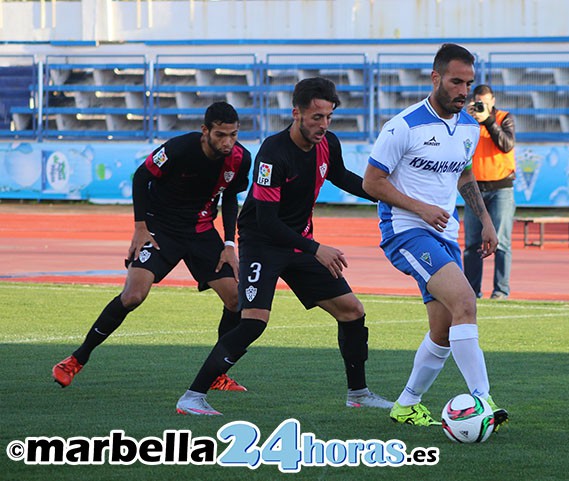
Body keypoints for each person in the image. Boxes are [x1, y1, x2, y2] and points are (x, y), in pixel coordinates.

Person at [176, 77, 393, 416]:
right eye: (316, 117)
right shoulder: (273, 154)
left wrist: (387, 195)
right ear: (296, 113)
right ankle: (192, 396)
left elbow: (344, 178)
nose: (323, 125)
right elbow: (267, 222)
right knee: (254, 322)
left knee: (352, 311)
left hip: (300, 244)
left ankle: (359, 393)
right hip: (263, 244)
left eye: (328, 117)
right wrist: (315, 248)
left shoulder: (327, 144)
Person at [52, 101, 252, 393]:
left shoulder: (239, 158)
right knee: (133, 296)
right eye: (221, 135)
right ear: (204, 131)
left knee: (235, 300)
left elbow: (231, 197)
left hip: (200, 230)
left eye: (233, 135)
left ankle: (217, 373)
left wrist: (229, 243)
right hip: (161, 229)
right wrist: (140, 227)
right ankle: (76, 359)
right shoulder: (179, 149)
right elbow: (142, 176)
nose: (228, 142)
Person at [362, 43, 509, 429]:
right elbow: (371, 182)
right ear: (435, 77)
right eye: (456, 81)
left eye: (469, 83)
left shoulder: (468, 127)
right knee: (466, 301)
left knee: (443, 330)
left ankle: (407, 403)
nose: (464, 91)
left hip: (445, 233)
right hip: (406, 231)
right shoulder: (403, 126)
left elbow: (463, 174)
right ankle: (483, 401)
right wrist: (420, 208)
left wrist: (486, 221)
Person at [463, 84, 516, 300]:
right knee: (472, 243)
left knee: (501, 242)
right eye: (478, 103)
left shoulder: (503, 118)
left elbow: (506, 144)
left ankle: (501, 291)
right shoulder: (468, 121)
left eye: (485, 102)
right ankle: (471, 290)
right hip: (474, 189)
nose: (481, 106)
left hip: (501, 187)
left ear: (493, 101)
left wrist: (488, 120)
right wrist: (466, 121)